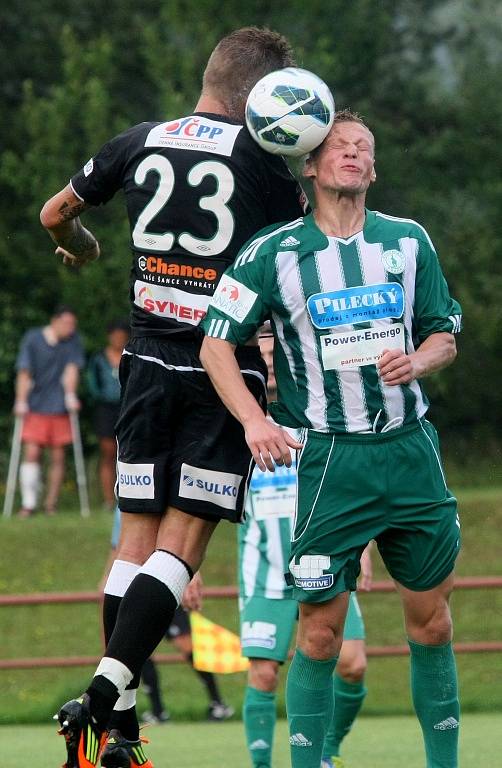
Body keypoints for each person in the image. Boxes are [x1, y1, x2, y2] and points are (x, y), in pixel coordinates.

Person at [40, 26, 307, 768]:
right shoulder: (263, 158)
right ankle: (97, 697)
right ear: (260, 99)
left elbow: (55, 214)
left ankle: (119, 735)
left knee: (132, 547)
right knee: (180, 550)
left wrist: (86, 246)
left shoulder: (138, 139)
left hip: (144, 362)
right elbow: (296, 261)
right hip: (219, 366)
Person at [200, 109, 463, 768]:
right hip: (330, 461)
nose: (354, 152)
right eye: (340, 144)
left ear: (372, 169)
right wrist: (254, 420)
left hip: (409, 451)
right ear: (311, 165)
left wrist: (420, 360)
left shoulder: (407, 241)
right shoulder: (271, 252)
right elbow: (214, 344)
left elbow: (444, 331)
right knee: (318, 635)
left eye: (364, 147)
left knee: (431, 620)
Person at [240, 332, 370, 768]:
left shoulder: (321, 410)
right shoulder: (239, 419)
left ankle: (327, 754)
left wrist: (364, 547)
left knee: (351, 664)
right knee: (263, 673)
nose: (271, 363)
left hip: (327, 556)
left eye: (277, 353)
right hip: (264, 569)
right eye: (263, 355)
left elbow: (349, 483)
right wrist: (191, 567)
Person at [103, 506, 234, 725]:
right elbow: (118, 546)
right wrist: (108, 577)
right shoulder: (125, 498)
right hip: (133, 583)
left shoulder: (162, 486)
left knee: (187, 645)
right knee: (136, 650)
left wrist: (191, 572)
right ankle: (156, 711)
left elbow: (182, 533)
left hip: (164, 582)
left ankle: (217, 702)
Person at [13, 305, 85, 517]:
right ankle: (28, 503)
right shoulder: (33, 339)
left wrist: (70, 394)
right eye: (67, 323)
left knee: (58, 457)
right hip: (36, 405)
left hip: (59, 407)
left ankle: (50, 504)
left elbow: (72, 370)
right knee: (32, 452)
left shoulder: (73, 341)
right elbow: (25, 371)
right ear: (55, 321)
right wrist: (20, 399)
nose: (70, 329)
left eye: (73, 325)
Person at [87, 320, 130, 510]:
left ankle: (128, 495)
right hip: (105, 409)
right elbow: (93, 385)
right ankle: (108, 499)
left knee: (127, 453)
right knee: (109, 452)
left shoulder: (130, 356)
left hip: (128, 407)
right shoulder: (98, 359)